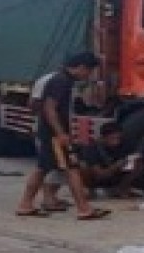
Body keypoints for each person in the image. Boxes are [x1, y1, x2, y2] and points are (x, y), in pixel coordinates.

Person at [17, 52, 110, 220]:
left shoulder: (62, 80)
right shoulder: (61, 81)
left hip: (50, 133)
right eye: (89, 71)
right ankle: (84, 209)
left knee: (43, 169)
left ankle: (26, 204)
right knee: (71, 168)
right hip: (54, 135)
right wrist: (61, 133)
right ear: (81, 67)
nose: (88, 75)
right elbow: (49, 108)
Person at [29, 71, 68, 212]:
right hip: (49, 131)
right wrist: (57, 129)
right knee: (50, 165)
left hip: (52, 130)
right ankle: (47, 198)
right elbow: (34, 104)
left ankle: (49, 197)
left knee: (52, 165)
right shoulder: (54, 80)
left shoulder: (52, 79)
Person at [82, 123, 141, 198]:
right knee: (83, 167)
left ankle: (121, 189)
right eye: (112, 138)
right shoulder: (93, 148)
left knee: (139, 164)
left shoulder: (125, 144)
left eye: (118, 138)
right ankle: (91, 190)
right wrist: (115, 166)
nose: (116, 141)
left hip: (119, 176)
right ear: (103, 138)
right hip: (100, 177)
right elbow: (98, 174)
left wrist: (130, 163)